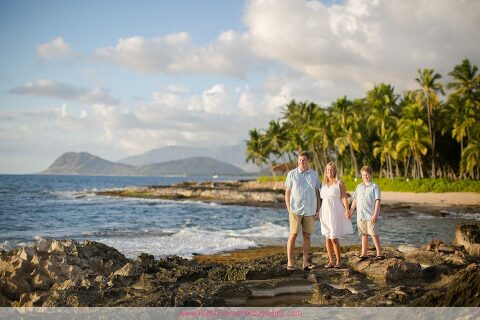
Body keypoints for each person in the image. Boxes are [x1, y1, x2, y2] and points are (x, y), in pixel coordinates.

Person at [285, 151, 321, 271]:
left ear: (308, 161)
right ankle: (290, 263)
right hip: (295, 210)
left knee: (307, 236)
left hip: (310, 210)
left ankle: (305, 263)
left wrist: (318, 209)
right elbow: (287, 193)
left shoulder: (314, 175)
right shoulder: (292, 174)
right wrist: (289, 209)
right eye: (300, 160)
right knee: (293, 235)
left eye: (304, 160)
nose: (301, 162)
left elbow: (317, 192)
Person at [319, 162, 353, 268]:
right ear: (325, 171)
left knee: (334, 237)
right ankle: (331, 261)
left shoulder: (339, 183)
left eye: (332, 169)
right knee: (327, 237)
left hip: (335, 212)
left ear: (335, 171)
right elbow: (319, 199)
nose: (330, 171)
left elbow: (343, 197)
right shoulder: (322, 184)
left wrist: (347, 209)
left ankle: (338, 261)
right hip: (324, 212)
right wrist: (317, 211)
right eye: (328, 170)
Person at [350, 166, 383, 260]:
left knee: (373, 233)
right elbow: (355, 200)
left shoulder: (375, 187)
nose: (365, 177)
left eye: (367, 175)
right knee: (363, 234)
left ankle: (379, 252)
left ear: (371, 175)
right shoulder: (359, 187)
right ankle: (364, 253)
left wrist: (376, 214)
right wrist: (351, 211)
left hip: (371, 215)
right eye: (363, 175)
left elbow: (377, 201)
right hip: (360, 215)